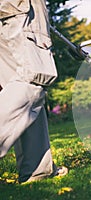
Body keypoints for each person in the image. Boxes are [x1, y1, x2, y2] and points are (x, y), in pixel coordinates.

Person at [0, 0, 67, 183]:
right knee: (32, 80)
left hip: (10, 12)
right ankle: (36, 169)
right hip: (19, 11)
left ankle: (36, 169)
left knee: (21, 86)